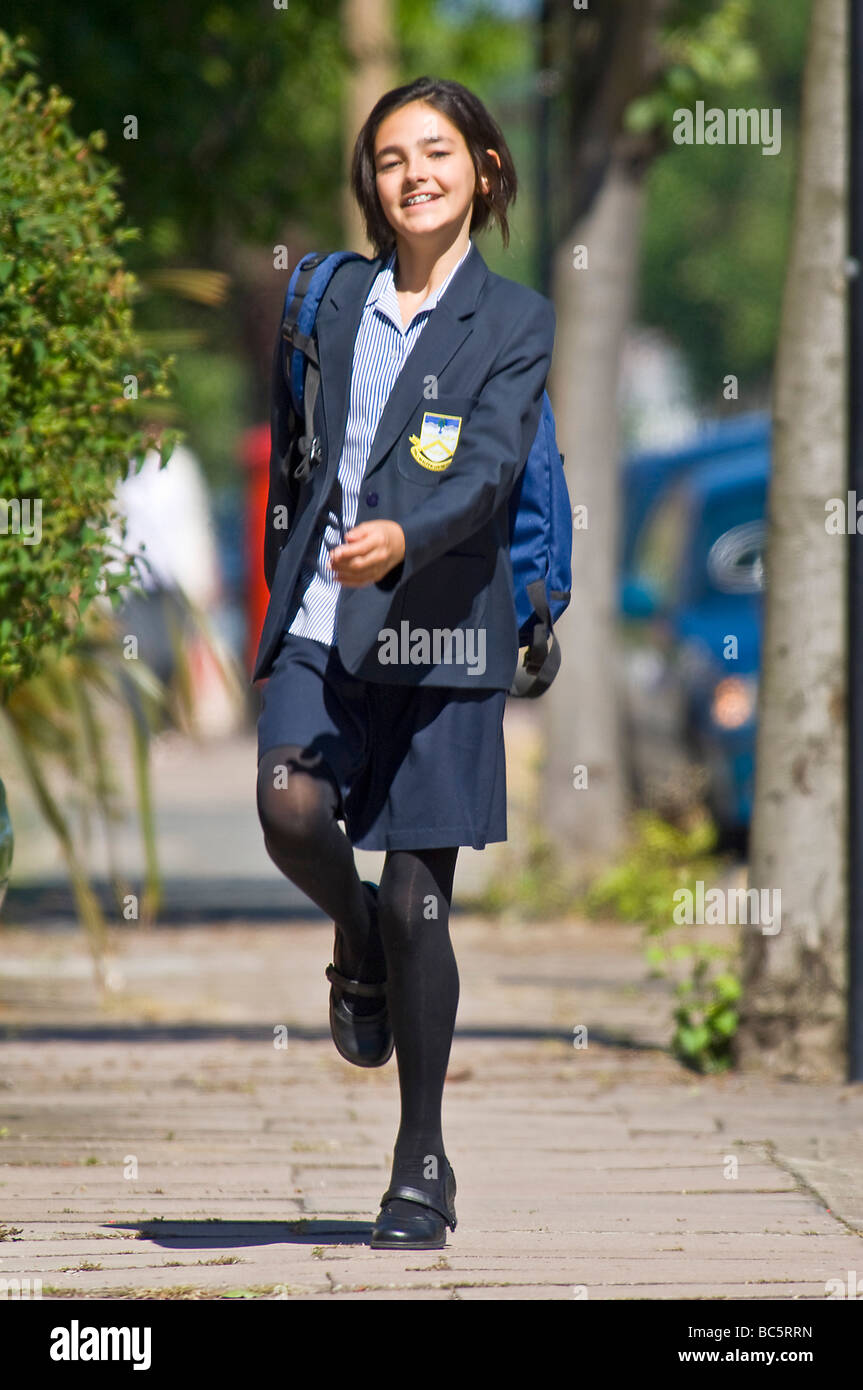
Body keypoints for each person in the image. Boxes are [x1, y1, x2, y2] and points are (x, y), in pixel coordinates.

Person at [254, 75, 556, 1250]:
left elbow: (487, 467)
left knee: (423, 904)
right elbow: (302, 456)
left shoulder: (516, 320)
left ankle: (418, 1158)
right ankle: (353, 932)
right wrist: (313, 564)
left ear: (483, 168)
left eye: (437, 151)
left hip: (444, 630)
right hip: (327, 620)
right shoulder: (329, 300)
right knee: (288, 808)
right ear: (370, 184)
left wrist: (407, 537)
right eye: (389, 158)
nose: (412, 173)